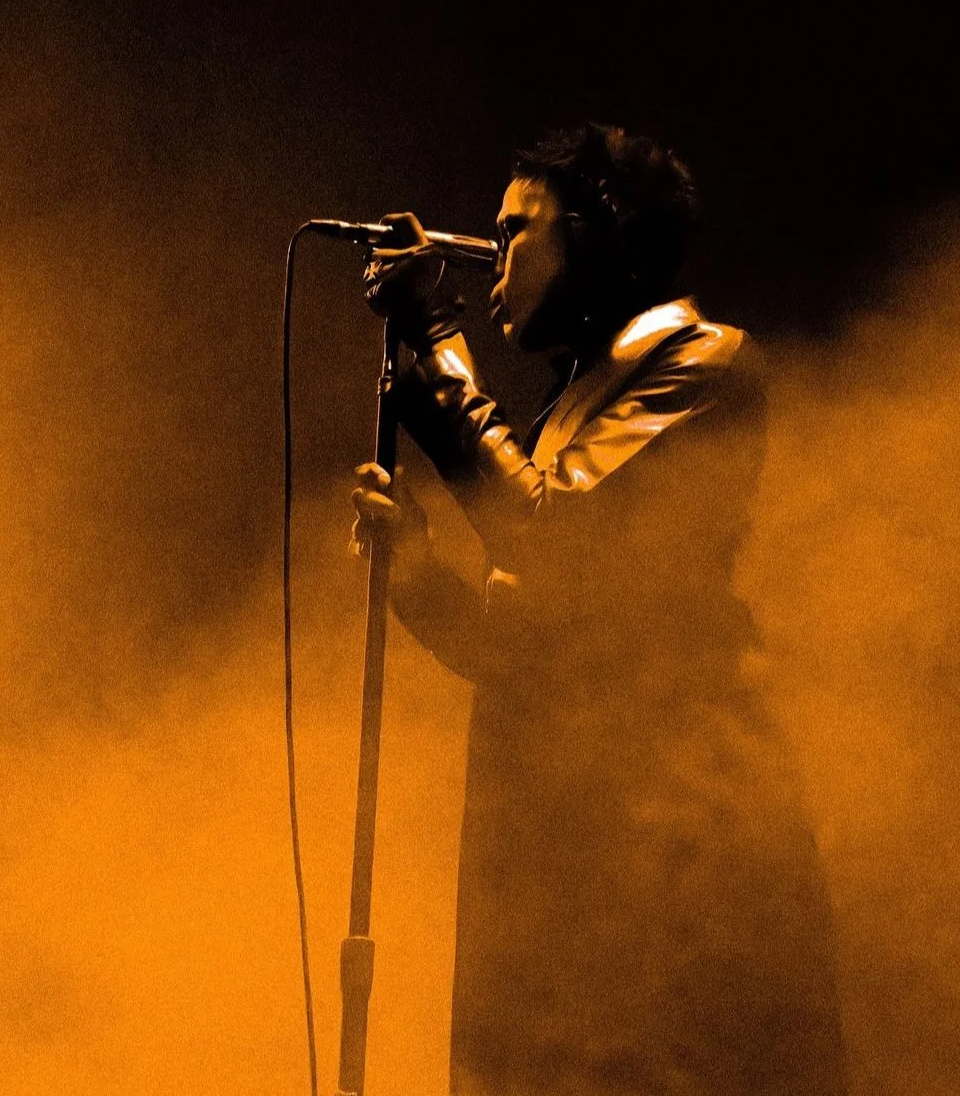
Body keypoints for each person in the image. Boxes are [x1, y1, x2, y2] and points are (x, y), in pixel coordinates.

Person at [351, 123, 847, 1096]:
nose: (490, 257)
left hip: (668, 858)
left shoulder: (705, 361)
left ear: (598, 231)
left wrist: (444, 350)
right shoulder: (569, 405)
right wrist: (416, 574)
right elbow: (539, 652)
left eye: (515, 231)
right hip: (567, 853)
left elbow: (559, 537)